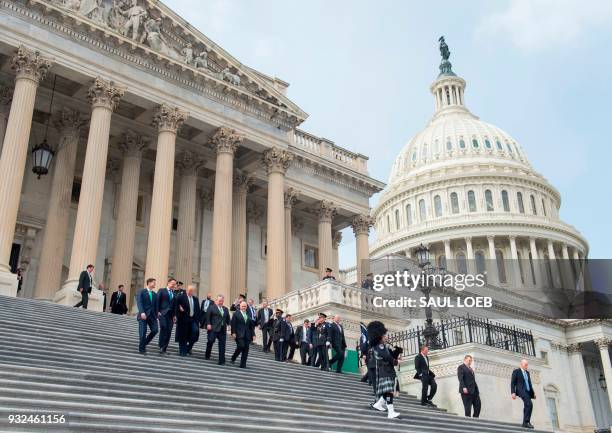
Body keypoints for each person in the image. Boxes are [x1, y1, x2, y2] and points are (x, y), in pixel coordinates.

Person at [367, 321, 400, 419]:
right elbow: (387, 357)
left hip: (386, 371)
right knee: (389, 391)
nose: (386, 336)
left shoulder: (381, 346)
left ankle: (378, 404)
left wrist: (397, 352)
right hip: (385, 371)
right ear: (380, 336)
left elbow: (389, 356)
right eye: (385, 335)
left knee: (387, 392)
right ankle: (391, 412)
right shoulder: (380, 347)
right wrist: (396, 361)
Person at [204, 295, 230, 365]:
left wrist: (229, 325)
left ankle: (222, 361)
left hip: (222, 329)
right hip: (213, 328)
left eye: (222, 301)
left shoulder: (225, 309)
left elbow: (228, 319)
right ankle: (207, 354)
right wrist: (208, 324)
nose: (221, 302)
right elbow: (208, 316)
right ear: (216, 301)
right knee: (210, 341)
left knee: (222, 345)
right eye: (219, 301)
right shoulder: (211, 307)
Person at [175, 285, 200, 356]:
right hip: (183, 319)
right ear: (186, 290)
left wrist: (198, 320)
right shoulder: (181, 297)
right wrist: (177, 315)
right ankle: (182, 351)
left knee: (195, 332)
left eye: (191, 291)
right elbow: (176, 307)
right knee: (183, 335)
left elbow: (198, 310)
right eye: (189, 290)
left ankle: (189, 348)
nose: (190, 292)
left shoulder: (195, 299)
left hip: (193, 319)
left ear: (193, 291)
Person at [511, 358, 536, 429]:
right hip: (521, 391)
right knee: (529, 404)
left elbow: (529, 383)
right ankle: (526, 421)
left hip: (528, 391)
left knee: (527, 405)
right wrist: (513, 392)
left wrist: (533, 393)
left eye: (527, 365)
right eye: (525, 365)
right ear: (521, 364)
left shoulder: (527, 373)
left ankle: (525, 422)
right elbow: (513, 383)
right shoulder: (516, 371)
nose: (526, 366)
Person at [136, 278, 158, 354]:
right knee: (143, 332)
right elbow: (139, 302)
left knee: (155, 330)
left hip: (152, 316)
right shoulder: (142, 291)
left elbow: (156, 306)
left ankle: (144, 343)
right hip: (143, 315)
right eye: (153, 282)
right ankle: (142, 349)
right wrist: (142, 312)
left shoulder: (155, 294)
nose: (155, 284)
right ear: (149, 283)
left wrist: (157, 314)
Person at [230, 301, 256, 368]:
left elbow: (251, 327)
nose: (244, 307)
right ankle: (233, 357)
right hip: (239, 334)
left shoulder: (248, 315)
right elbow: (233, 324)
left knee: (246, 349)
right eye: (242, 306)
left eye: (245, 306)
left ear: (246, 307)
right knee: (241, 346)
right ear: (240, 307)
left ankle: (243, 364)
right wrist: (233, 333)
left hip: (247, 335)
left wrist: (253, 335)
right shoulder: (236, 314)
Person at [156, 278, 177, 354]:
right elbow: (157, 301)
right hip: (162, 313)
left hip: (171, 316)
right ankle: (161, 345)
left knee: (169, 331)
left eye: (175, 284)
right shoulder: (161, 290)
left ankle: (164, 348)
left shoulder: (174, 294)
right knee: (164, 327)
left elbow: (175, 306)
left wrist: (175, 315)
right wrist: (157, 311)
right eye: (172, 283)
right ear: (168, 283)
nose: (173, 285)